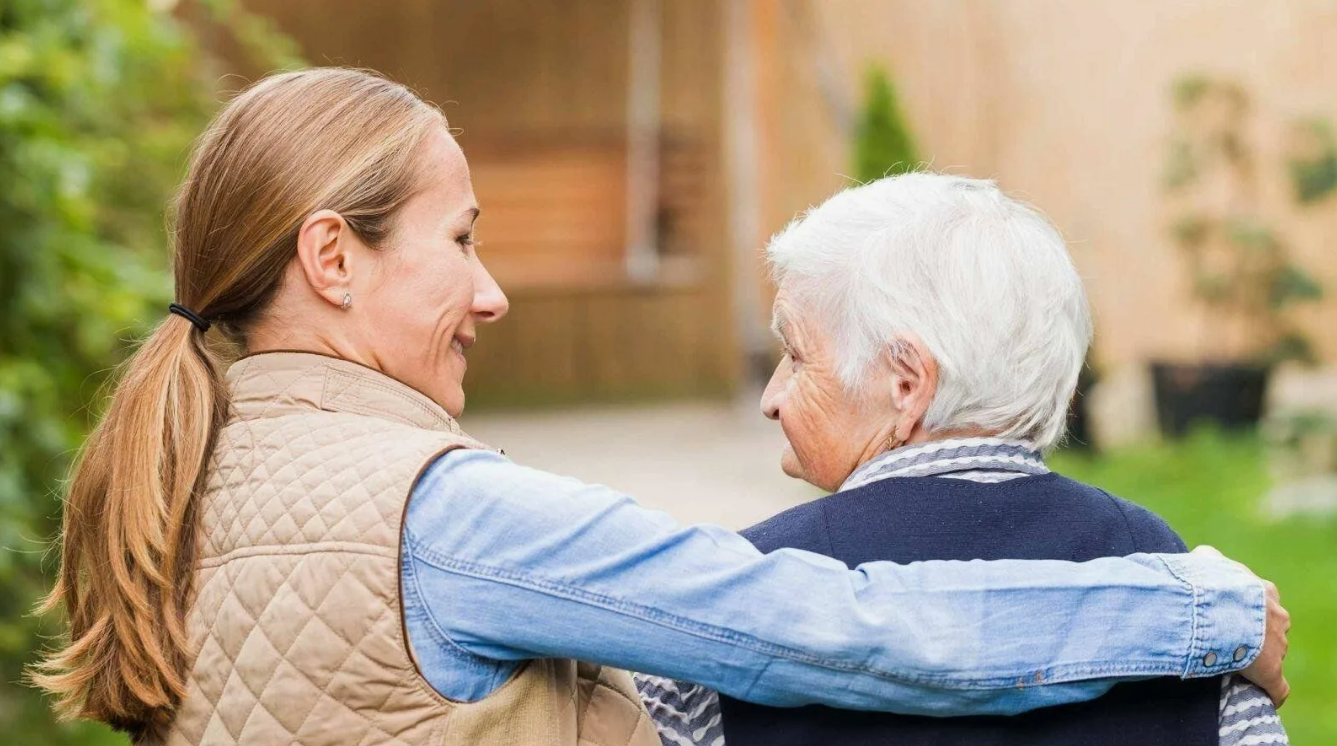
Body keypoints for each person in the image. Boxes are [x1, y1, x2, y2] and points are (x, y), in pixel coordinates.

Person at [32, 69, 1287, 746]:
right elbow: (840, 628)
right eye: (460, 241)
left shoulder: (188, 478)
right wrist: (1206, 607)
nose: (490, 292)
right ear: (332, 257)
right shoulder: (439, 516)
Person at [635, 174, 1289, 746]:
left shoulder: (732, 601)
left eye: (797, 355)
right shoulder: (1187, 590)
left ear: (905, 382)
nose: (771, 398)